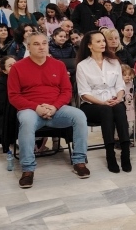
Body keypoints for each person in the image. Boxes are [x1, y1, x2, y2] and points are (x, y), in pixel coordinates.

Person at [8, 32, 90, 188]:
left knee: (79, 116)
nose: (41, 47)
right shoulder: (17, 67)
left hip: (56, 109)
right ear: (28, 47)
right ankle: (28, 169)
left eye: (44, 43)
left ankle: (79, 161)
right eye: (36, 44)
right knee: (26, 121)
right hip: (30, 110)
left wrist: (54, 107)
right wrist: (36, 107)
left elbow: (66, 91)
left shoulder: (58, 65)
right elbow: (13, 96)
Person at [76, 31, 131, 173]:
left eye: (103, 41)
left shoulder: (113, 61)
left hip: (113, 100)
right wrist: (102, 102)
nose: (103, 44)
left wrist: (118, 98)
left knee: (119, 108)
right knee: (106, 110)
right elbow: (84, 93)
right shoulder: (82, 66)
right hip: (92, 105)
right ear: (89, 45)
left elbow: (120, 86)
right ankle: (110, 154)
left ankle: (126, 152)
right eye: (98, 41)